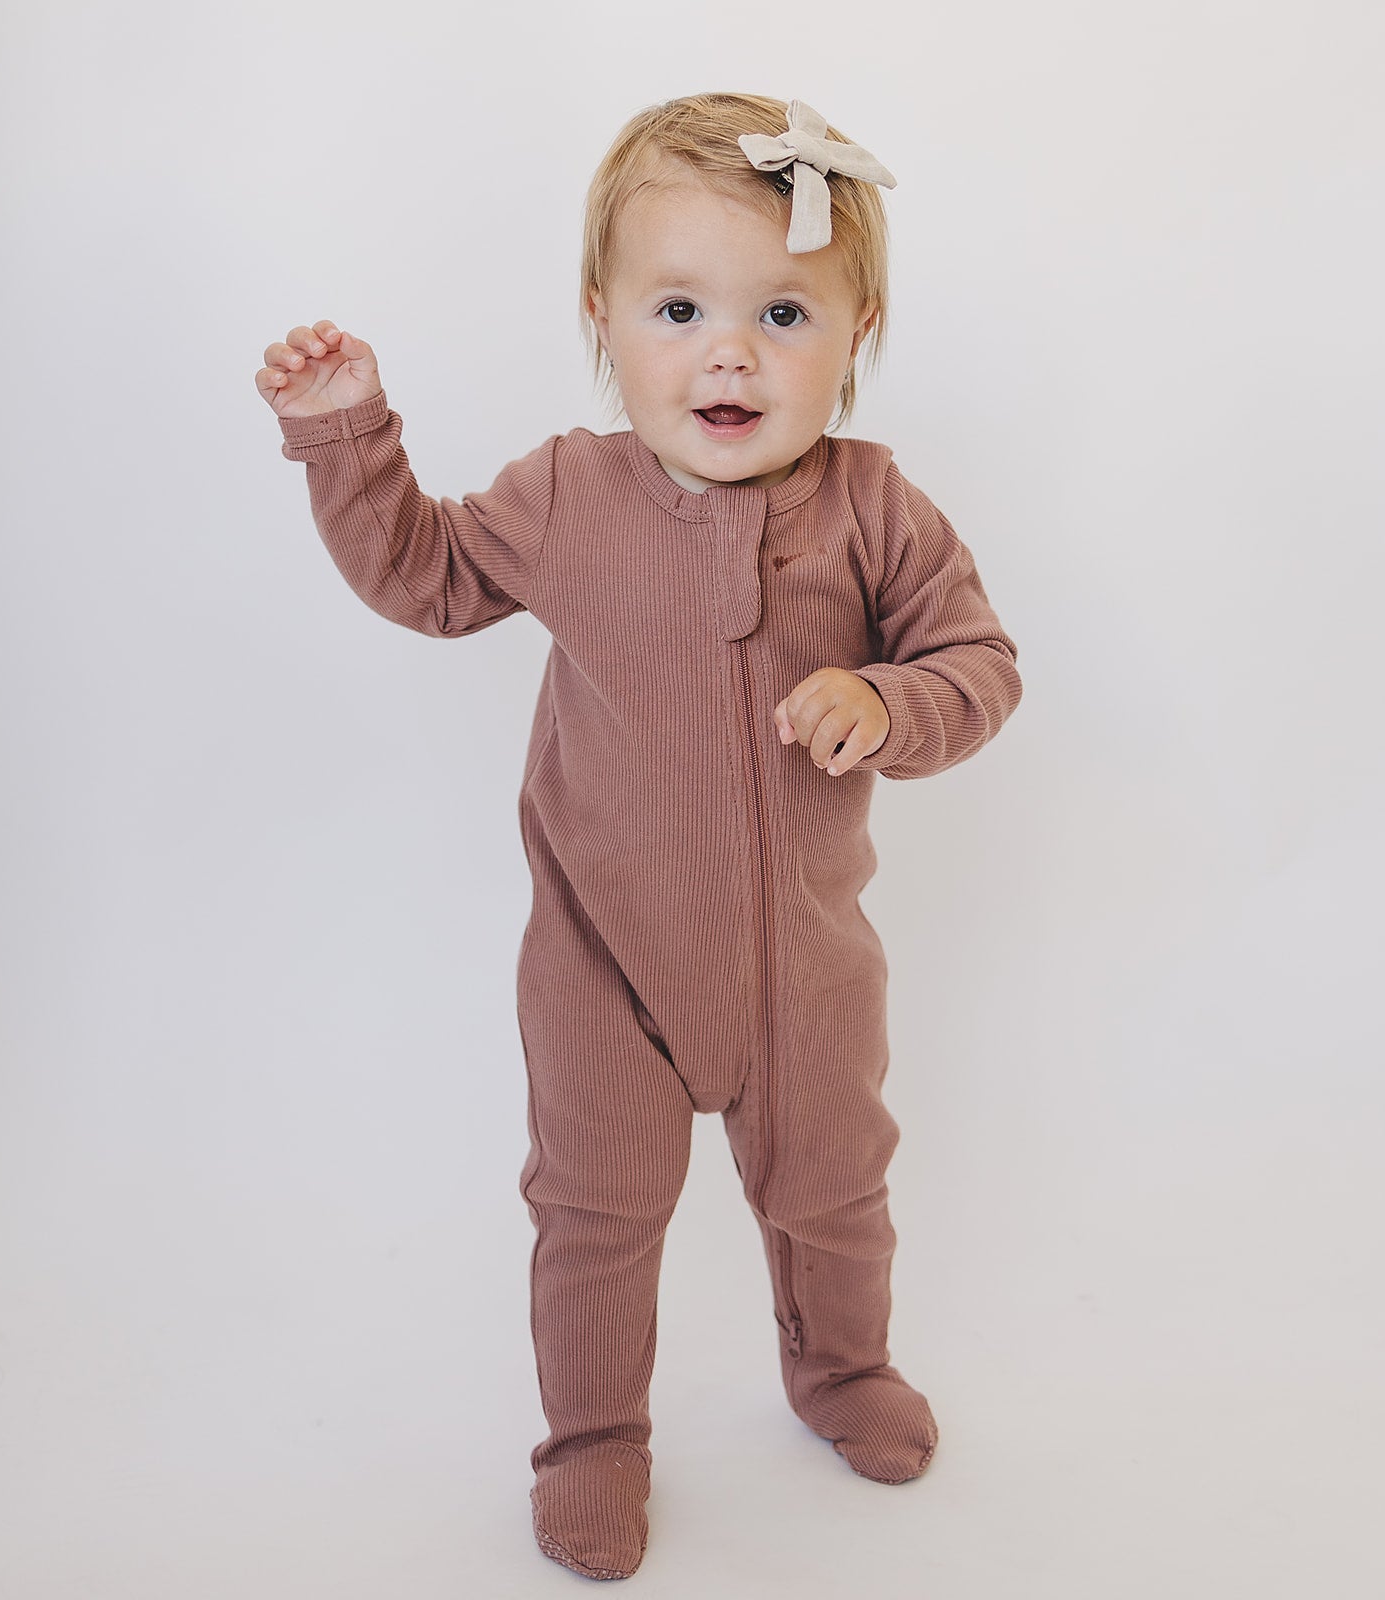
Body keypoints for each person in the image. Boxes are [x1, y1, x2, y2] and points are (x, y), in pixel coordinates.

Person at [255, 92, 1023, 1583]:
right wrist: (345, 436)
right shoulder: (568, 495)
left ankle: (842, 1368)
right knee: (593, 1210)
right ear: (603, 320)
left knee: (836, 1189)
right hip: (604, 959)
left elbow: (978, 665)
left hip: (804, 966)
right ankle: (594, 1436)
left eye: (783, 312)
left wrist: (888, 699)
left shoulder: (875, 508)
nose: (730, 353)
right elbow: (424, 577)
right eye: (680, 309)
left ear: (856, 333)